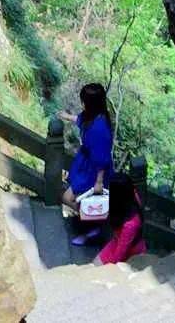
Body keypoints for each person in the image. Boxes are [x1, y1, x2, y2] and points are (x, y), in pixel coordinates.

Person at [60, 82, 114, 242]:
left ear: (91, 103)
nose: (82, 104)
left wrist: (99, 182)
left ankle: (93, 227)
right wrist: (69, 117)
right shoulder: (94, 116)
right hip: (86, 164)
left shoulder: (100, 128)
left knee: (68, 197)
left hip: (94, 171)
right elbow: (82, 120)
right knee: (82, 199)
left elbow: (102, 157)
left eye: (84, 101)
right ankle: (92, 225)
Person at [94, 173, 147, 266]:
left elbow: (119, 255)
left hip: (131, 250)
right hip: (119, 239)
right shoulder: (132, 195)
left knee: (97, 266)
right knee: (95, 263)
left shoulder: (130, 225)